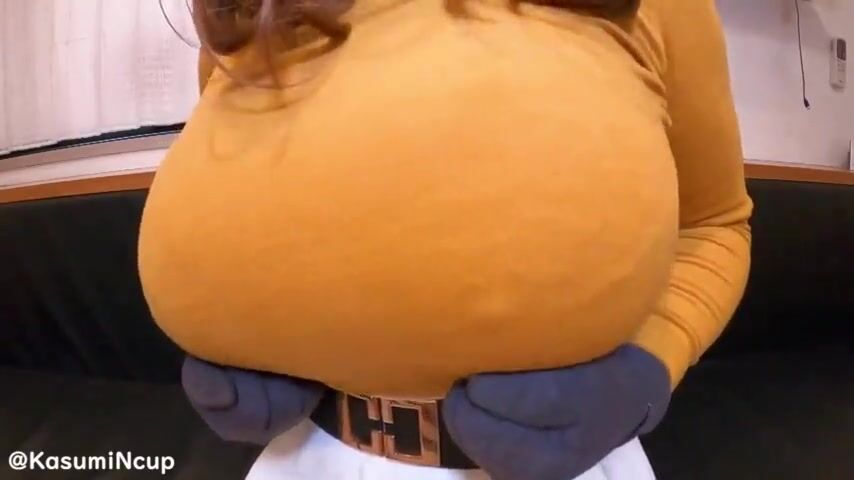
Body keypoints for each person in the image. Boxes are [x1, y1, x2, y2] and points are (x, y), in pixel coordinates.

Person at [138, 0, 753, 478]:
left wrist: (647, 369)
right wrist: (248, 347)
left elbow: (714, 223)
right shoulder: (255, 9)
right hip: (310, 457)